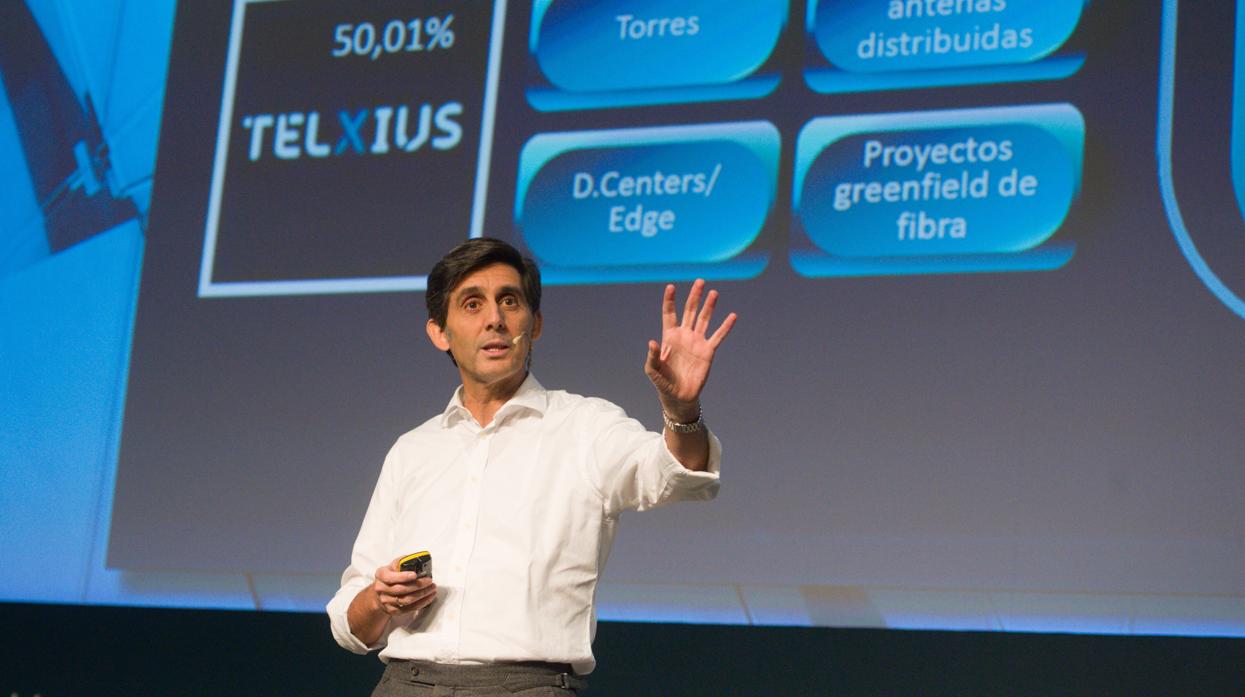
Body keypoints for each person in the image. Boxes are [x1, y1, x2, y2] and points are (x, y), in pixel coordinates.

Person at [326, 238, 736, 695]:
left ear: (534, 323)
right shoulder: (412, 450)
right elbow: (351, 625)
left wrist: (682, 411)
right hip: (405, 683)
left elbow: (677, 475)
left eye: (509, 301)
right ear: (440, 332)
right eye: (472, 304)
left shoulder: (585, 426)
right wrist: (379, 600)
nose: (495, 319)